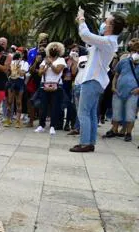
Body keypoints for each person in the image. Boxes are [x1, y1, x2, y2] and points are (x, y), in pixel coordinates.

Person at [71, 9, 125, 153]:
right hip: (96, 81)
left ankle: (84, 143)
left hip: (92, 80)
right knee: (90, 113)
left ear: (111, 27)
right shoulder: (108, 41)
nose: (103, 23)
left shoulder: (108, 41)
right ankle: (90, 142)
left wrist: (81, 19)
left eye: (106, 21)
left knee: (83, 113)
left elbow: (85, 35)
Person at [103, 39, 139, 142]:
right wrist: (113, 87)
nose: (135, 54)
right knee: (116, 112)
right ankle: (114, 130)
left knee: (130, 114)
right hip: (118, 92)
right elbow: (116, 75)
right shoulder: (123, 62)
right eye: (134, 51)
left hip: (133, 93)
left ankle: (128, 133)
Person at [35, 42, 66, 135]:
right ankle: (41, 125)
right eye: (52, 47)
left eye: (56, 47)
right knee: (43, 106)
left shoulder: (61, 60)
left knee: (54, 106)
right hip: (44, 85)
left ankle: (53, 126)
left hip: (57, 86)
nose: (53, 49)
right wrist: (46, 67)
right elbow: (40, 73)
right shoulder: (45, 60)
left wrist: (51, 64)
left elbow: (57, 71)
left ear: (59, 50)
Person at [5, 51, 29, 128]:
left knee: (18, 102)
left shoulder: (25, 63)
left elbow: (22, 74)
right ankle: (8, 119)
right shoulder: (12, 62)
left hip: (19, 82)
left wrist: (18, 68)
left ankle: (18, 120)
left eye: (21, 53)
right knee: (9, 101)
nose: (19, 53)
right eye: (18, 52)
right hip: (11, 81)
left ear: (23, 55)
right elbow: (8, 72)